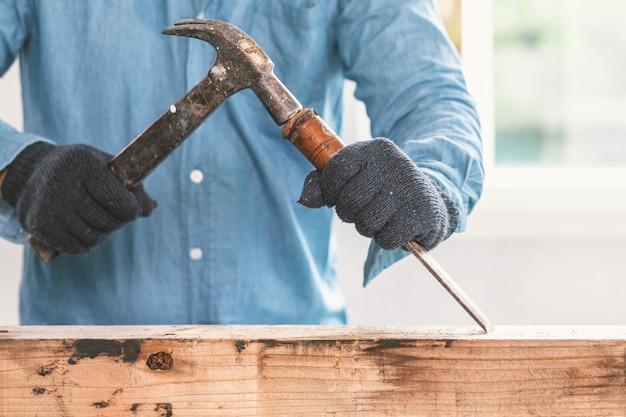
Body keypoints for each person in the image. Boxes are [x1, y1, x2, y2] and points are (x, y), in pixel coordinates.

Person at [0, 1, 483, 325]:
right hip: (75, 370)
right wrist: (19, 168)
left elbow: (433, 96)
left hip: (292, 367)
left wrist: (432, 180)